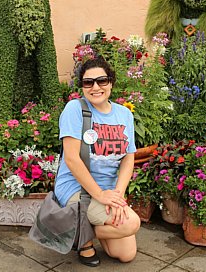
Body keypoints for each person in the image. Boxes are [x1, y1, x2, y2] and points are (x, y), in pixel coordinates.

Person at [54, 57, 141, 267]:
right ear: (82, 86)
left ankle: (79, 231)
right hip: (78, 187)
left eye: (102, 81)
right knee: (131, 223)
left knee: (125, 254)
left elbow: (129, 157)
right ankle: (81, 236)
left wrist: (118, 195)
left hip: (108, 190)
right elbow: (72, 160)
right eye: (88, 82)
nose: (95, 87)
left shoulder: (124, 114)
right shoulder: (75, 109)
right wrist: (100, 195)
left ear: (111, 82)